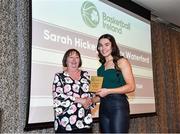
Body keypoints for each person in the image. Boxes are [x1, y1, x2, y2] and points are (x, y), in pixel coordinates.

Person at [95, 34, 135, 133]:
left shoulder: (121, 61)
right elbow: (101, 94)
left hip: (118, 106)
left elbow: (131, 86)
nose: (103, 48)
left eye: (107, 44)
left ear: (113, 46)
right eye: (100, 45)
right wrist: (90, 100)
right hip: (103, 108)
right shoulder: (100, 69)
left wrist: (108, 91)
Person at [52, 49, 94, 133]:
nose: (74, 60)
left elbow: (91, 95)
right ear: (66, 61)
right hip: (65, 124)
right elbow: (58, 98)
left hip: (84, 122)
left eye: (77, 57)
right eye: (71, 57)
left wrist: (90, 101)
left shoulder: (86, 75)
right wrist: (79, 100)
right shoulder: (59, 76)